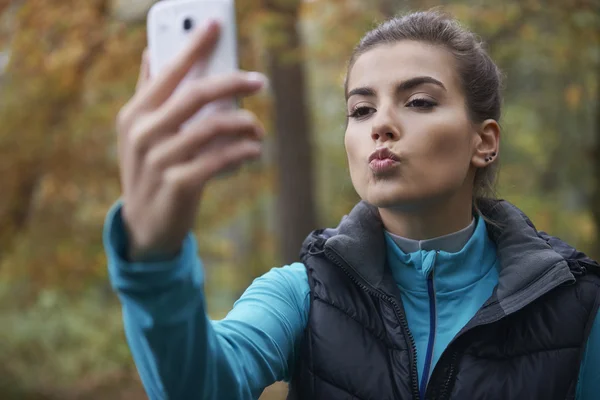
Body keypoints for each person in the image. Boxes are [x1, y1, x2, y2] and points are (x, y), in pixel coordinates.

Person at [103, 11, 600, 400]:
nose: (380, 125)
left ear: (483, 141)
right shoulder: (304, 291)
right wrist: (154, 261)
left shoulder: (577, 304)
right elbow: (203, 386)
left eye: (419, 101)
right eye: (361, 110)